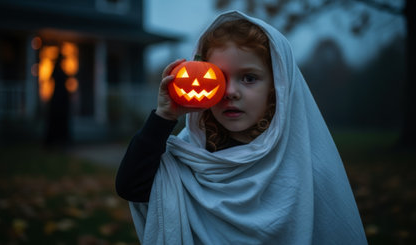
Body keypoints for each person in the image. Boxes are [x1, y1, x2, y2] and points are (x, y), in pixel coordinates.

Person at [116, 11, 367, 244]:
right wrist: (164, 117)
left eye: (249, 78)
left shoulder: (304, 165)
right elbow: (131, 186)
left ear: (276, 86)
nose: (231, 92)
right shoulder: (193, 153)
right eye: (220, 78)